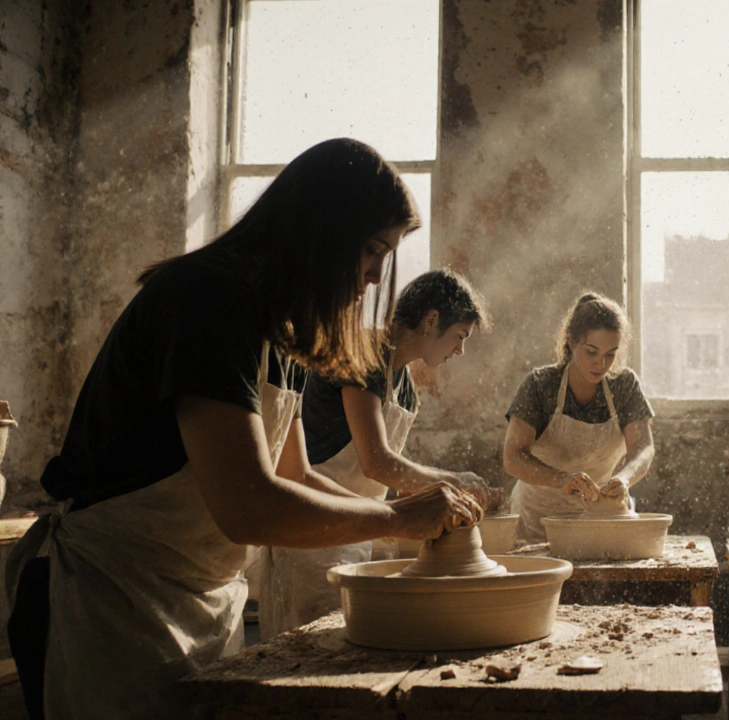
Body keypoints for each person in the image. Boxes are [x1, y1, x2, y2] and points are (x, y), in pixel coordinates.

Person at [3, 139, 482, 719]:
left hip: (195, 598)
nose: (377, 275)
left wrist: (403, 521)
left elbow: (295, 474)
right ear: (320, 229)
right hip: (108, 595)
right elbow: (247, 507)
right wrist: (400, 519)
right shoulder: (208, 298)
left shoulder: (283, 330)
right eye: (372, 249)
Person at [258, 268, 503, 640]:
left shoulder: (405, 387)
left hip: (362, 525)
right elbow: (377, 463)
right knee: (312, 650)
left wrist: (432, 505)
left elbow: (391, 477)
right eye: (460, 336)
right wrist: (452, 482)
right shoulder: (365, 356)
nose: (460, 350)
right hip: (314, 528)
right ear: (431, 320)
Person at [503, 293, 655, 543]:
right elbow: (513, 458)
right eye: (591, 352)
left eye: (610, 354)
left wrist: (624, 478)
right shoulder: (540, 386)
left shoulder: (624, 385)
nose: (601, 364)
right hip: (538, 522)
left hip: (600, 518)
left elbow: (643, 447)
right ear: (571, 341)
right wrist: (561, 479)